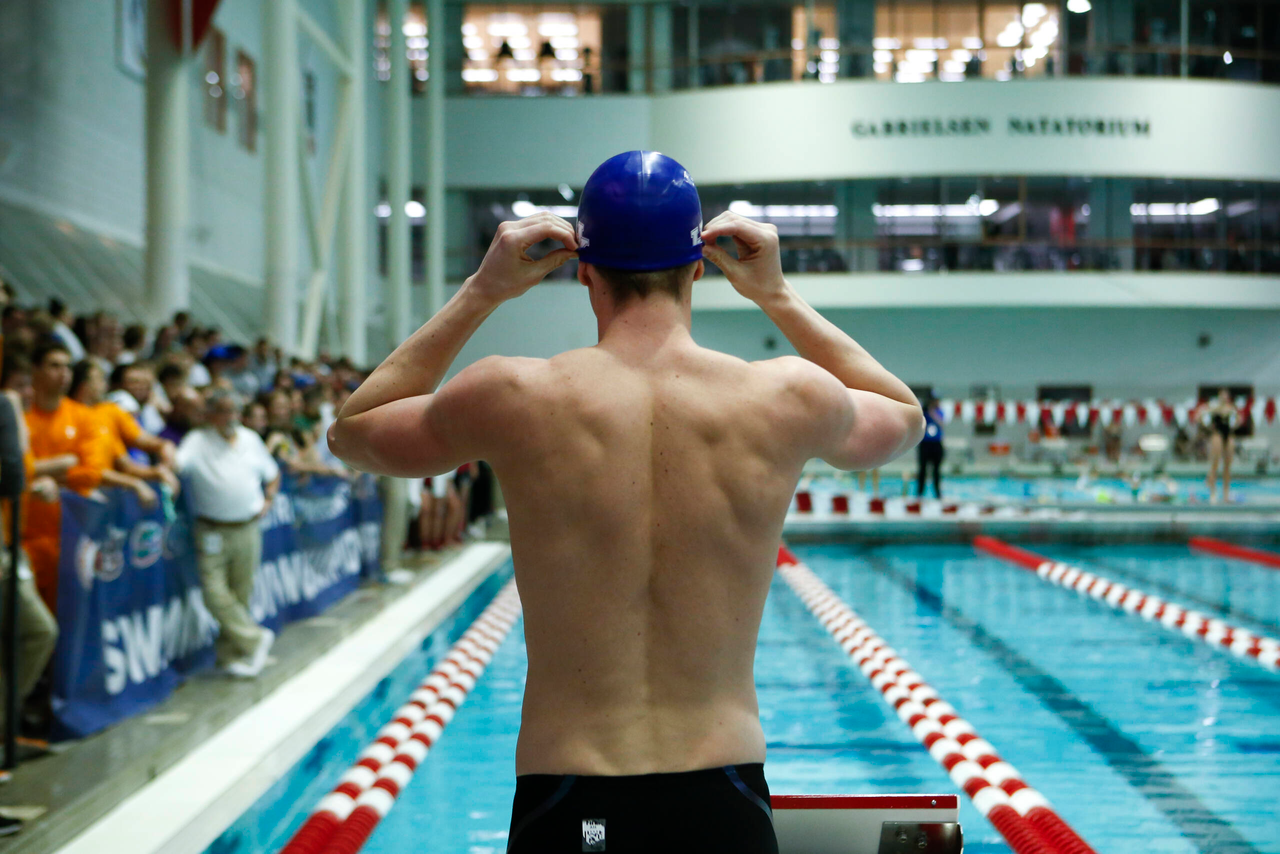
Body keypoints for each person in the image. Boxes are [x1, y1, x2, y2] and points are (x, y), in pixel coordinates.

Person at [328, 151, 923, 853]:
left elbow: (354, 433)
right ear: (698, 267)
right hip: (721, 797)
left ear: (584, 270)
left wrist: (482, 292)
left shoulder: (515, 396)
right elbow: (902, 415)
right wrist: (777, 295)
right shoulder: (785, 397)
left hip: (570, 798)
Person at [175, 389, 279, 678]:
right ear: (210, 415)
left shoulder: (250, 439)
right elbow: (177, 463)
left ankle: (231, 656)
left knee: (240, 592)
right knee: (213, 592)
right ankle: (255, 638)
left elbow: (272, 474)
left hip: (247, 526)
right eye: (224, 410)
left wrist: (268, 499)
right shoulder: (197, 441)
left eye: (234, 411)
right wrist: (163, 462)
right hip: (212, 529)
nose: (231, 417)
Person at [68, 360, 177, 497]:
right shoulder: (69, 413)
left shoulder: (105, 413)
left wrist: (158, 471)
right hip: (74, 495)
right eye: (99, 379)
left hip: (105, 498)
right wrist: (134, 483)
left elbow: (126, 466)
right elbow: (91, 470)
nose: (104, 385)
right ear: (83, 384)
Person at [1200, 388, 1239, 503]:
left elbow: (1238, 420)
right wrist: (1208, 427)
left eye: (1226, 396)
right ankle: (1213, 493)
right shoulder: (1213, 408)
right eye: (1222, 396)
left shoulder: (1231, 408)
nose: (1224, 398)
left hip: (1228, 435)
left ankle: (1226, 494)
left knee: (1228, 467)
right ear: (1219, 397)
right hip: (1217, 435)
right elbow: (1200, 417)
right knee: (1215, 465)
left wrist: (1234, 425)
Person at [916, 397, 944, 499]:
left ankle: (937, 494)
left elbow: (941, 423)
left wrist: (932, 412)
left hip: (936, 444)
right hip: (925, 444)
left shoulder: (939, 412)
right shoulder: (924, 413)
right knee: (922, 470)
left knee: (936, 471)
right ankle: (919, 494)